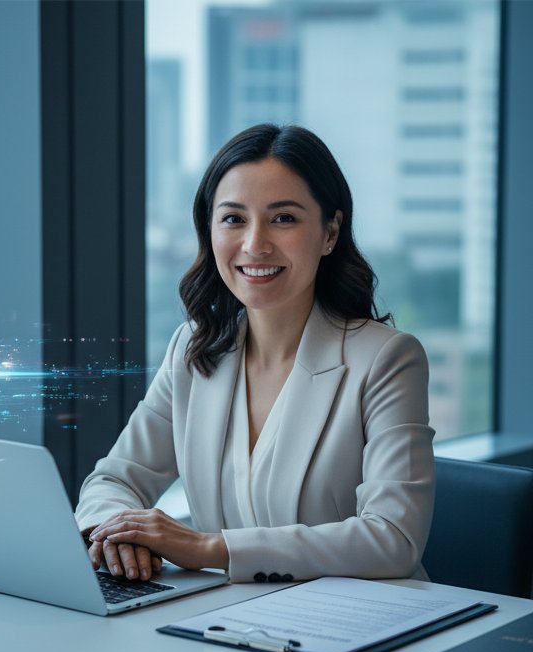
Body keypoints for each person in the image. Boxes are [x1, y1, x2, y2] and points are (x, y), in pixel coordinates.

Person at [75, 123, 434, 585]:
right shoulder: (193, 349)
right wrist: (117, 533)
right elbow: (114, 481)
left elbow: (392, 539)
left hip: (357, 627)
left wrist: (207, 548)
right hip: (226, 620)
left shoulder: (387, 359)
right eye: (233, 219)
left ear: (330, 232)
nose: (254, 244)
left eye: (283, 218)